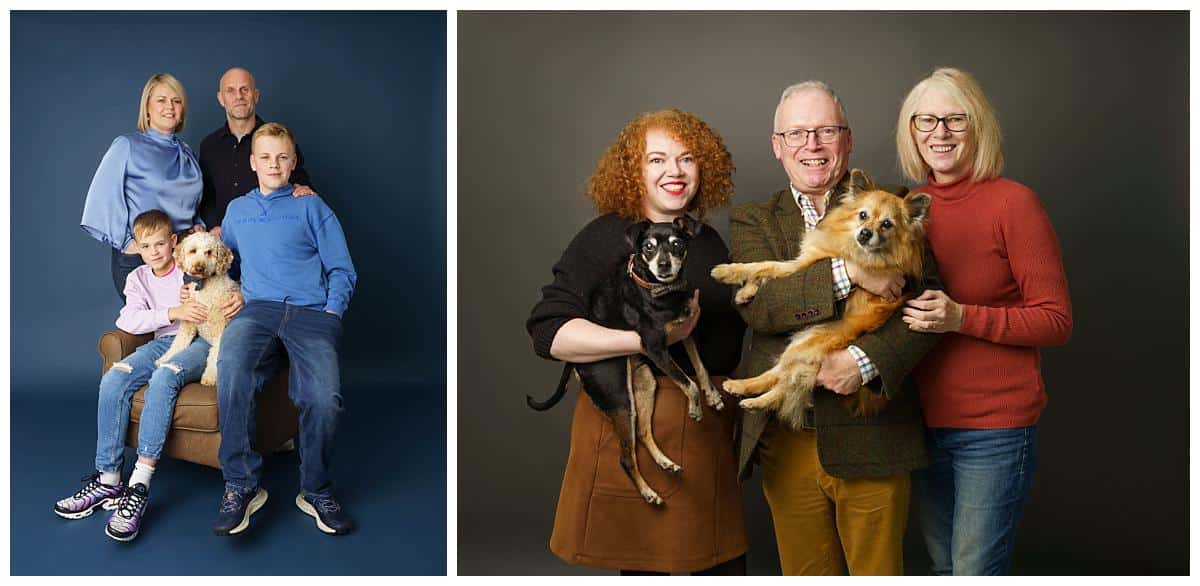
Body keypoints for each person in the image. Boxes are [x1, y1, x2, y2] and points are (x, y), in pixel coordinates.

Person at [727, 81, 942, 575]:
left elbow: (926, 307)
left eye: (825, 130)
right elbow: (762, 306)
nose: (813, 144)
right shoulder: (754, 221)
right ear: (777, 146)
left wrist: (862, 362)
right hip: (789, 433)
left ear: (847, 139)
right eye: (798, 133)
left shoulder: (899, 208)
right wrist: (855, 272)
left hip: (872, 434)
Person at [525, 109, 747, 574]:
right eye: (657, 160)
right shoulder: (607, 236)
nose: (675, 171)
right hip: (644, 428)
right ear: (634, 171)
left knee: (723, 570)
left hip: (708, 437)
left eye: (686, 159)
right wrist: (645, 339)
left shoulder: (705, 240)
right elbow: (549, 331)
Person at [896, 67, 1072, 576]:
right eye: (925, 120)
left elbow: (1055, 320)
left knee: (974, 571)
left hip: (993, 431)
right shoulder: (903, 210)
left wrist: (960, 317)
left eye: (955, 119)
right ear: (911, 131)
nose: (940, 133)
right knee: (944, 565)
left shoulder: (1013, 203)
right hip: (920, 425)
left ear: (979, 127)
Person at [211, 123, 357, 537]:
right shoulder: (237, 211)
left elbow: (342, 269)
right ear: (253, 162)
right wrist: (236, 291)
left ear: (293, 163)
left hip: (311, 313)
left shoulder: (312, 206)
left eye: (282, 157)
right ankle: (240, 485)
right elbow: (229, 262)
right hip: (256, 312)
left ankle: (314, 489)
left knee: (324, 399)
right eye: (266, 157)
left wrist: (332, 313)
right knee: (233, 370)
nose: (274, 165)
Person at [54, 210, 220, 541]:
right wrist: (172, 311)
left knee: (164, 378)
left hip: (198, 341)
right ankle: (109, 480)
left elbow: (211, 299)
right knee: (116, 377)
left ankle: (139, 485)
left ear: (174, 243)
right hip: (162, 340)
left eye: (161, 244)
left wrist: (193, 301)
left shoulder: (190, 265)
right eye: (147, 246)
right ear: (137, 248)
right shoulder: (138, 278)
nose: (155, 252)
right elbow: (129, 321)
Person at [81, 73, 204, 300]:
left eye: (176, 101)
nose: (170, 106)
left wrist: (197, 226)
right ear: (147, 107)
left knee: (190, 324)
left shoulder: (186, 152)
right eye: (161, 100)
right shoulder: (127, 146)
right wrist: (129, 244)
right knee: (154, 327)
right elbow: (100, 201)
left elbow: (191, 203)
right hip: (144, 259)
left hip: (181, 256)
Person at [198, 67, 314, 241]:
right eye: (230, 91)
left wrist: (304, 189)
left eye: (245, 89)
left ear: (256, 95)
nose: (239, 96)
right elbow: (206, 196)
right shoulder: (209, 146)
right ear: (221, 99)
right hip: (224, 242)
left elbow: (301, 184)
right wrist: (214, 225)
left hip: (270, 240)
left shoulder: (279, 140)